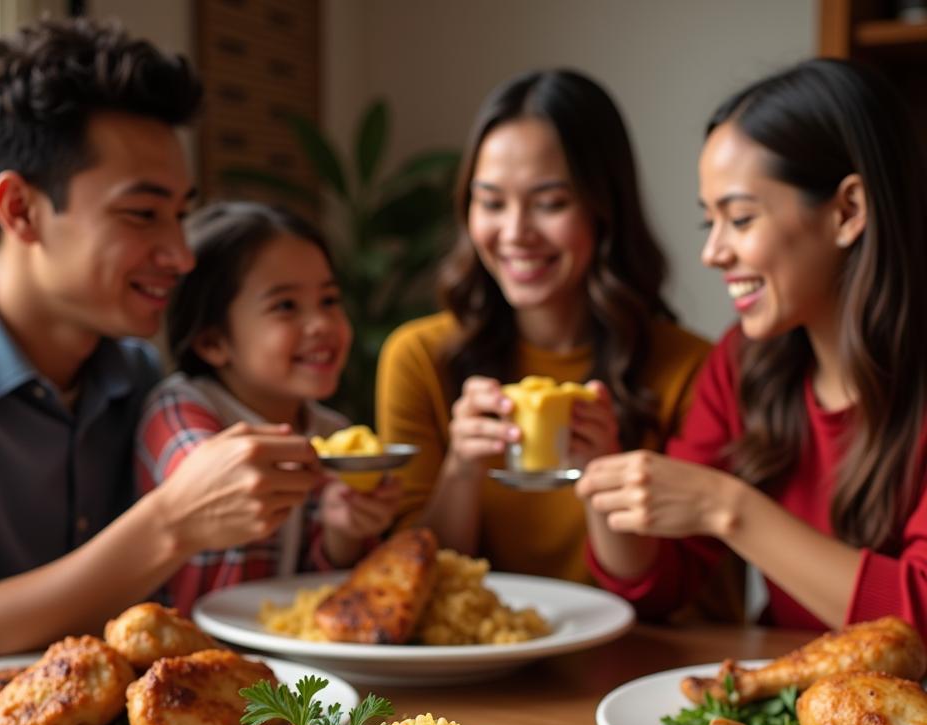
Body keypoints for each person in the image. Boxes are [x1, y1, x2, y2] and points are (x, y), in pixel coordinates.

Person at [0, 18, 315, 673]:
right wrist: (171, 523)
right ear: (20, 210)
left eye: (180, 214)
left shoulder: (135, 370)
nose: (181, 256)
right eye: (141, 214)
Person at [578, 58, 927, 632]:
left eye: (740, 219)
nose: (713, 252)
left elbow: (917, 622)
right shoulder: (743, 364)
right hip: (792, 704)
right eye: (707, 222)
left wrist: (730, 508)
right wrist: (600, 482)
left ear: (848, 211)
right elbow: (660, 585)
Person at [375, 68, 716, 586]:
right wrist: (462, 470)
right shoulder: (419, 357)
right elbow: (407, 582)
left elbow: (688, 595)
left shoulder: (691, 369)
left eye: (550, 203)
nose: (515, 233)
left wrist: (607, 471)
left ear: (604, 209)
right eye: (491, 202)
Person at [136, 202, 401, 615]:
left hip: (292, 660)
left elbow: (332, 590)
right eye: (286, 306)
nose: (322, 324)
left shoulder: (332, 431)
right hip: (188, 655)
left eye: (329, 300)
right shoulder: (181, 411)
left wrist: (344, 531)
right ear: (213, 342)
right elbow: (210, 498)